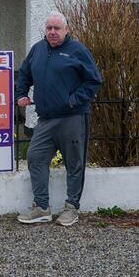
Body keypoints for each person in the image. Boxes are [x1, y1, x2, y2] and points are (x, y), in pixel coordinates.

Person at [15, 11, 102, 226]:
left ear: (66, 30)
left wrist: (73, 100)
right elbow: (24, 74)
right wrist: (21, 94)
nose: (52, 32)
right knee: (35, 157)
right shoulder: (38, 49)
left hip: (72, 118)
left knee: (74, 163)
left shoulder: (77, 51)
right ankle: (42, 208)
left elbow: (94, 81)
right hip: (45, 120)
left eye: (57, 28)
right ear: (45, 30)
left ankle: (71, 208)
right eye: (49, 28)